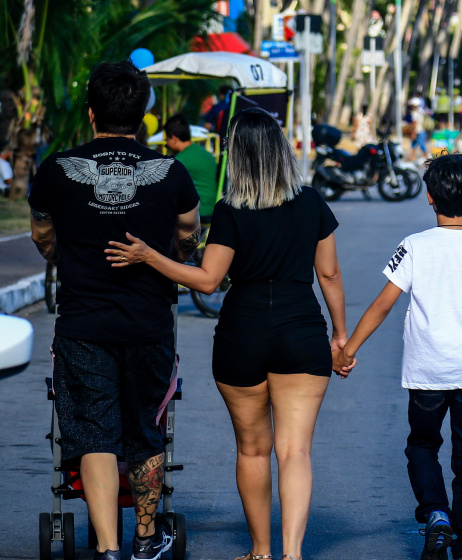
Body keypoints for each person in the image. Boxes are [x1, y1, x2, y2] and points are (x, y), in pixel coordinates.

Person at [105, 107, 348, 560]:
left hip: (243, 333)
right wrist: (340, 336)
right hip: (302, 331)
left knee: (254, 450)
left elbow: (207, 280)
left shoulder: (231, 209)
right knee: (294, 451)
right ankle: (292, 553)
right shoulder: (312, 201)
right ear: (281, 151)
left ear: (236, 155)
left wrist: (149, 257)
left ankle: (260, 551)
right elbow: (329, 276)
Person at [28, 61, 201, 560]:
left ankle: (107, 549)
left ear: (90, 113)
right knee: (145, 426)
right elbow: (187, 231)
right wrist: (175, 257)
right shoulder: (170, 171)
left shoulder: (58, 170)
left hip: (83, 324)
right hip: (149, 323)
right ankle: (146, 541)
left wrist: (60, 254)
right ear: (144, 114)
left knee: (93, 431)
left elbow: (42, 232)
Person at [335, 153, 462, 560]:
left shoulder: (413, 246)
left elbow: (382, 305)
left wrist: (348, 351)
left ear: (429, 197)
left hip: (427, 374)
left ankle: (436, 514)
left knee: (422, 446)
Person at [164, 114, 218, 223]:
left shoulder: (180, 160)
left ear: (174, 138)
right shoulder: (205, 153)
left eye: (167, 139)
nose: (166, 144)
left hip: (197, 213)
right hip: (211, 209)